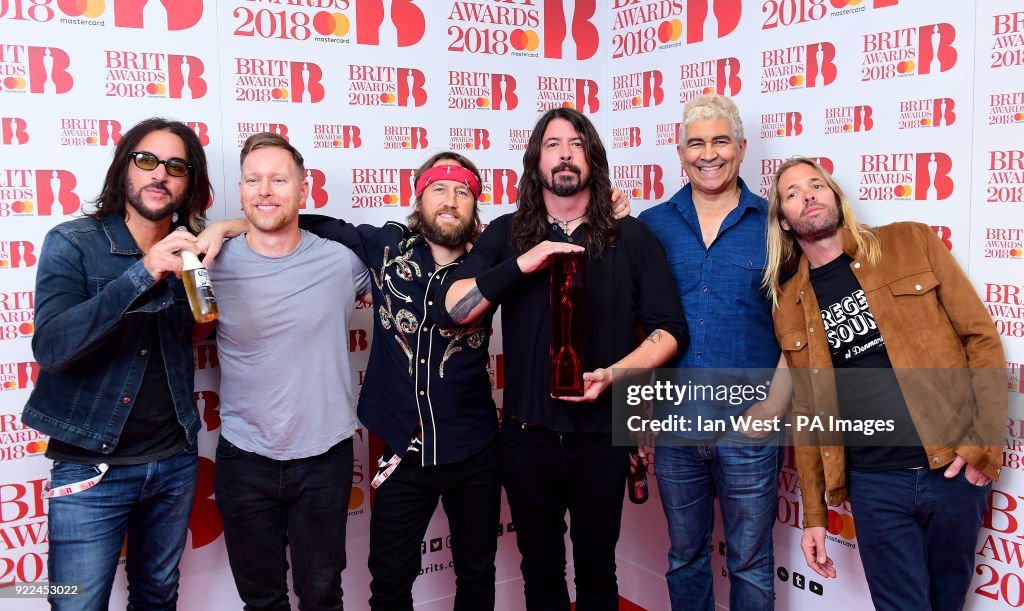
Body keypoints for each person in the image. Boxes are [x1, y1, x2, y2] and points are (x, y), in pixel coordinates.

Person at [201, 151, 630, 611]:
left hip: (476, 449)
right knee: (389, 581)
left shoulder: (494, 255)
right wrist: (222, 227)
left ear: (475, 205)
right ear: (418, 198)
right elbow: (289, 219)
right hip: (400, 451)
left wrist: (604, 209)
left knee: (476, 575)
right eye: (438, 189)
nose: (450, 200)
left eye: (463, 191)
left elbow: (561, 250)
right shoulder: (385, 247)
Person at [435, 107, 687, 611]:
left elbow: (669, 330)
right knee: (540, 572)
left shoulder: (632, 237)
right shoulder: (507, 234)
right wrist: (525, 260)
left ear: (592, 157)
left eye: (576, 143)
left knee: (598, 571)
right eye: (553, 144)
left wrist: (615, 375)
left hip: (602, 437)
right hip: (527, 439)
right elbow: (455, 306)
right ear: (536, 160)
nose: (565, 153)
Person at [764, 157, 1006, 611]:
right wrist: (814, 515)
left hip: (952, 469)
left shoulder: (909, 242)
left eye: (817, 185)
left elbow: (982, 340)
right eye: (793, 193)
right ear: (783, 219)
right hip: (875, 484)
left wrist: (984, 443)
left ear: (835, 196)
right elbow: (808, 412)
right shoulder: (789, 302)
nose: (808, 195)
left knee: (947, 603)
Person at [22, 117, 212, 609]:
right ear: (124, 167)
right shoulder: (73, 242)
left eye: (176, 167)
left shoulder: (193, 249)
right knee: (77, 603)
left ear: (190, 184)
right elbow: (52, 347)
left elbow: (194, 331)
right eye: (147, 160)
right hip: (91, 466)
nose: (160, 175)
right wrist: (143, 272)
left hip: (173, 460)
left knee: (158, 595)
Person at [637, 94, 788, 611]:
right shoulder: (650, 225)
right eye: (696, 143)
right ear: (680, 154)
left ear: (742, 148)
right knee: (685, 558)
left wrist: (772, 407)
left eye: (720, 140)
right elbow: (636, 326)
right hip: (675, 428)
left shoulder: (775, 225)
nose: (709, 153)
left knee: (750, 564)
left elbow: (800, 329)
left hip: (749, 428)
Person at [207, 132, 369, 610]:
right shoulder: (209, 263)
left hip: (324, 457)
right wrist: (222, 230)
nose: (265, 191)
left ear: (303, 190)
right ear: (239, 190)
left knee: (322, 595)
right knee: (261, 599)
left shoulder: (343, 262)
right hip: (244, 457)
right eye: (253, 180)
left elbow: (413, 288)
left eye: (279, 180)